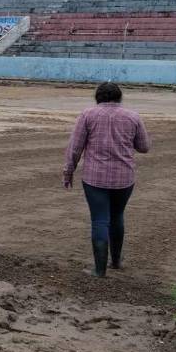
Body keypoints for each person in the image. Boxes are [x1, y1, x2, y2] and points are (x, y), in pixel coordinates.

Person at [63, 82, 150, 277]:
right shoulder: (133, 116)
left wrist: (68, 173)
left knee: (100, 219)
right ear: (119, 98)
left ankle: (99, 270)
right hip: (124, 178)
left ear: (98, 98)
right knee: (117, 216)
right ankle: (116, 261)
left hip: (95, 179)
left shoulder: (87, 115)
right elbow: (144, 147)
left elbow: (74, 149)